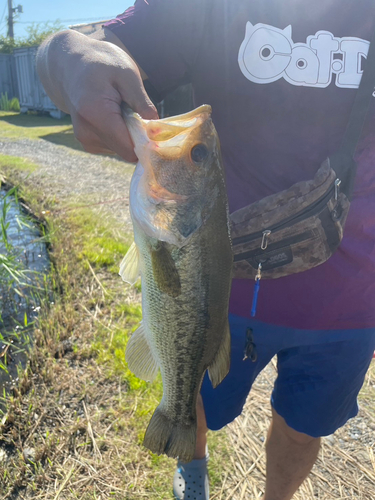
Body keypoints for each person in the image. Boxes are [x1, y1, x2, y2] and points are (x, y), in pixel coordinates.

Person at [37, 1, 375, 499]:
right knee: (190, 383)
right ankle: (192, 479)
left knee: (305, 427)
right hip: (226, 287)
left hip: (354, 292)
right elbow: (72, 51)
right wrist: (67, 54)